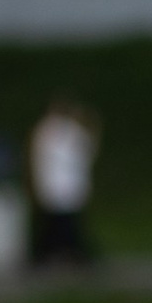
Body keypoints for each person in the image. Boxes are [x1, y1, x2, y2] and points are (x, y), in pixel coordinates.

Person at [27, 94, 101, 270]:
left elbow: (84, 153)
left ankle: (54, 254)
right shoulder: (53, 131)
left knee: (58, 223)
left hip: (65, 185)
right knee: (61, 223)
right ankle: (72, 253)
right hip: (58, 185)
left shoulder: (60, 130)